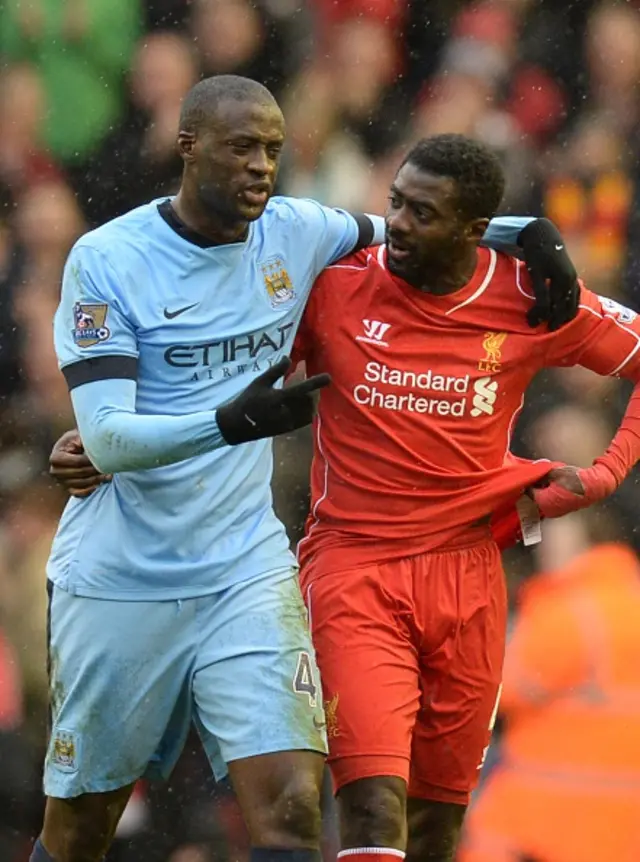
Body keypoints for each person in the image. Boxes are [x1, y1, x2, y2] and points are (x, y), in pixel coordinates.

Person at [41, 72, 577, 862]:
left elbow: (416, 226)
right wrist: (229, 423)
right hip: (122, 577)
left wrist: (528, 232)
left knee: (293, 809)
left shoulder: (297, 231)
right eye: (242, 148)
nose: (262, 165)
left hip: (243, 571)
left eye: (274, 150)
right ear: (188, 148)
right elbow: (111, 438)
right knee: (84, 829)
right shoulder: (108, 260)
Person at [285, 134, 640, 862]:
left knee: (438, 827)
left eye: (422, 213)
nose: (398, 227)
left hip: (470, 576)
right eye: (394, 205)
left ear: (472, 229)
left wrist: (608, 470)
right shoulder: (336, 287)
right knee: (373, 812)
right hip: (355, 570)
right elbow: (236, 359)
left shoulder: (528, 296)